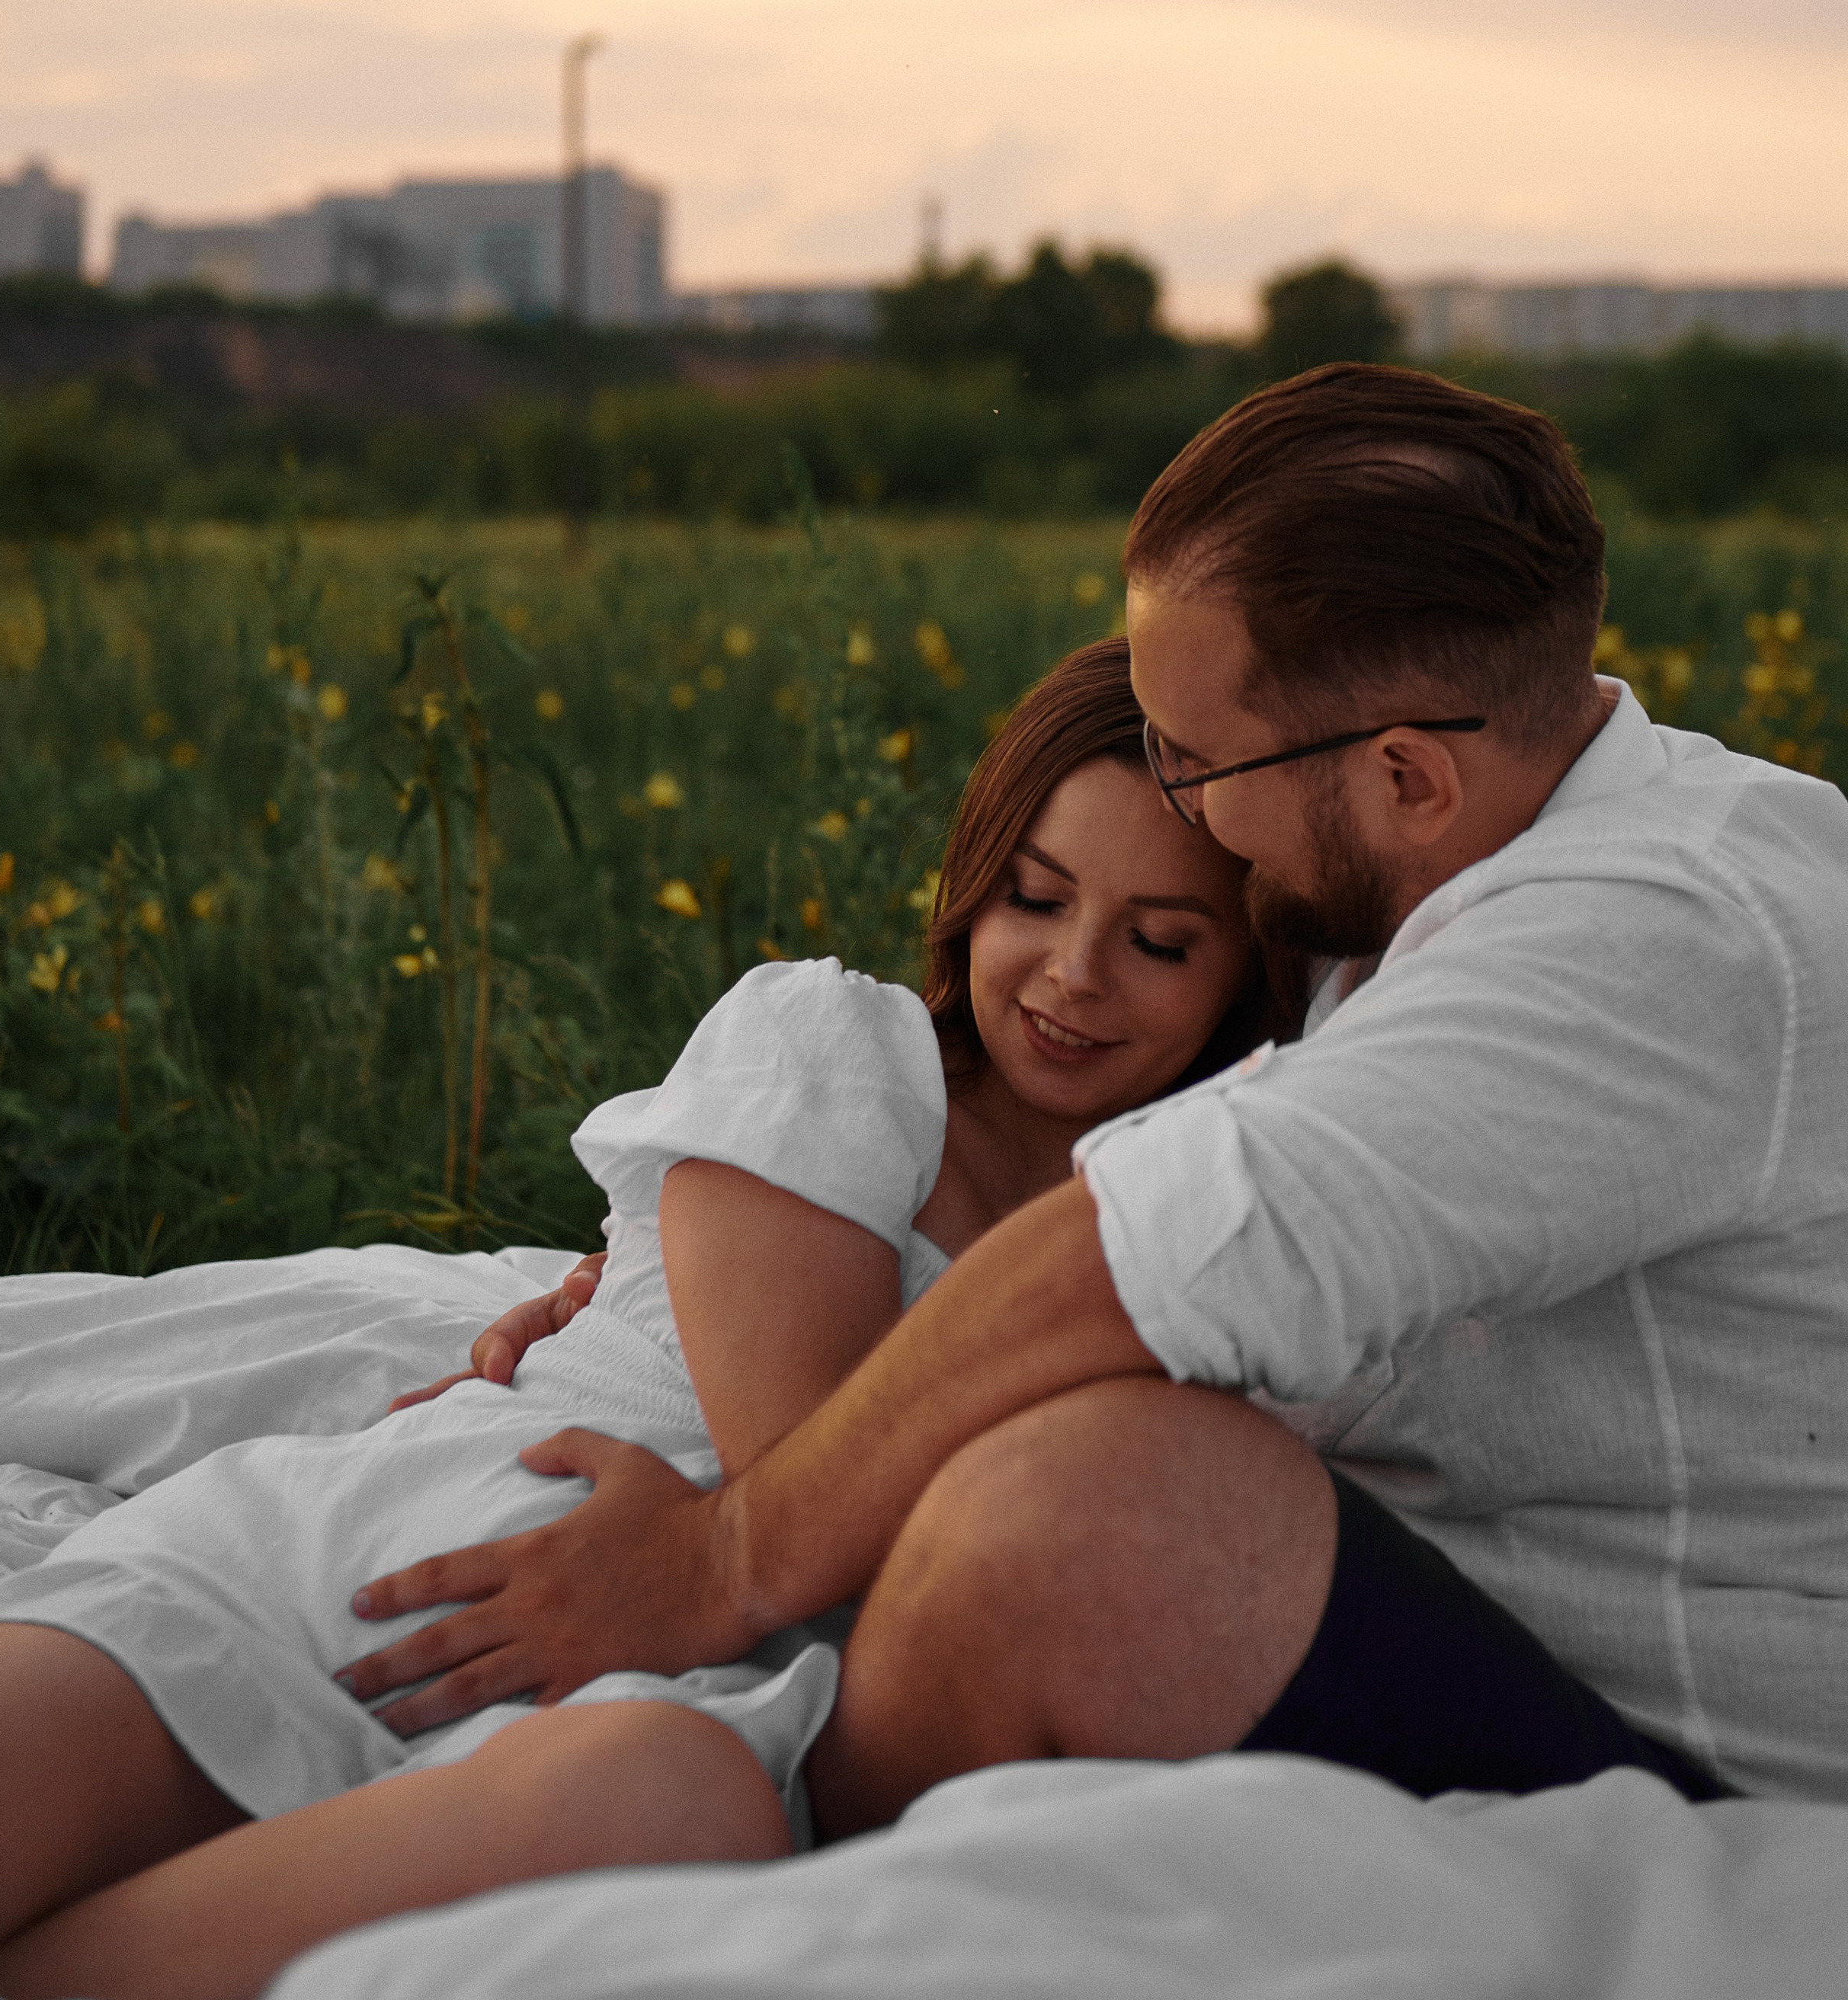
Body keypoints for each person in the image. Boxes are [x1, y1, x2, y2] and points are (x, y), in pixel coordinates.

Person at [331, 363, 1848, 1829]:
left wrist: (725, 1554)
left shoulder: (1662, 938)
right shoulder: (1442, 869)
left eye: (1194, 764)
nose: (1183, 808)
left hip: (1678, 1747)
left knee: (1083, 1508)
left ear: (1404, 779)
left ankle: (784, 1866)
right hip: (1445, 1625)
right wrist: (664, 1297)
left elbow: (1135, 1258)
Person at [0, 637, 1292, 2000]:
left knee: (673, 1809)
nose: (1072, 975)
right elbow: (794, 1460)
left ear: (1248, 975)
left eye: (1159, 941)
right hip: (385, 1562)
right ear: (972, 885)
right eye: (1035, 901)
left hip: (650, 1722)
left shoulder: (1213, 1223)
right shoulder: (841, 1051)